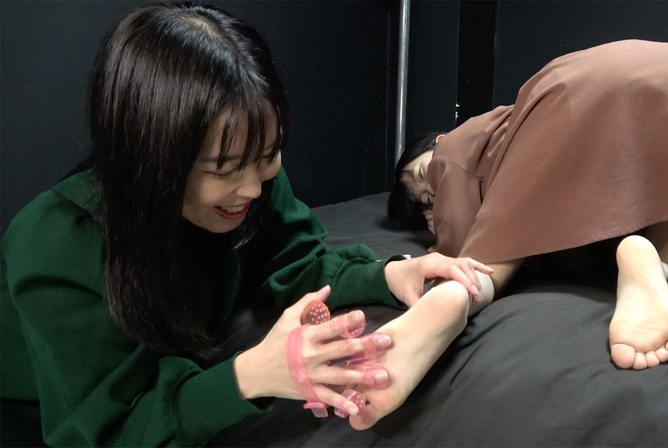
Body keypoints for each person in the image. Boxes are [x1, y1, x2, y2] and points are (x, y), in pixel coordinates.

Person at [0, 4, 494, 446]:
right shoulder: (56, 242)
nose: (254, 189)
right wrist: (249, 376)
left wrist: (388, 273)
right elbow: (107, 430)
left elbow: (295, 262)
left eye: (268, 154)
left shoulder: (253, 178)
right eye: (224, 169)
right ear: (150, 161)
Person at [351, 39, 668, 428]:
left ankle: (454, 297)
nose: (434, 196)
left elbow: (463, 237)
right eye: (425, 205)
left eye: (425, 179)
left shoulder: (458, 146)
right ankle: (655, 267)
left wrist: (442, 233)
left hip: (574, 97)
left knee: (489, 256)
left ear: (437, 141)